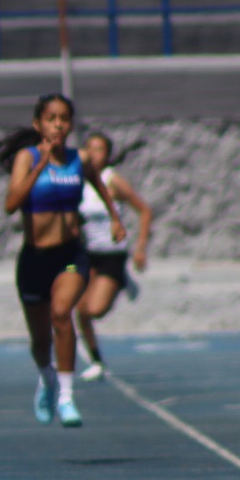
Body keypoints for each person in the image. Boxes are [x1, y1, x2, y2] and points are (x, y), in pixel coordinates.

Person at [0, 93, 122, 428]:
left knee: (62, 312)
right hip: (34, 258)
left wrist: (115, 218)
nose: (58, 124)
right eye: (51, 118)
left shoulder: (79, 160)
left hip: (68, 255)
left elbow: (100, 182)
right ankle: (48, 379)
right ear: (39, 124)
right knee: (40, 341)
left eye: (64, 118)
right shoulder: (27, 157)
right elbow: (11, 204)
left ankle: (66, 395)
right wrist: (40, 164)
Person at [74, 132, 153, 381]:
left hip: (112, 256)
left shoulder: (112, 181)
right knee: (80, 311)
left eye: (99, 150)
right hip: (88, 255)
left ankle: (121, 280)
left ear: (107, 155)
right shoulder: (78, 182)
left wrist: (140, 248)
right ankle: (97, 361)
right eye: (90, 149)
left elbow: (144, 211)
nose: (94, 154)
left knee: (95, 310)